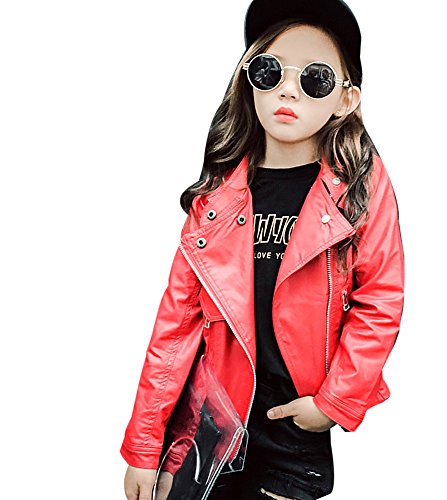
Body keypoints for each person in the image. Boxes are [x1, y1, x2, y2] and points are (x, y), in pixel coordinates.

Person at [121, 0, 405, 499]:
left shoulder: (359, 189)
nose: (287, 90)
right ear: (248, 79)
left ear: (345, 99)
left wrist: (334, 402)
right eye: (270, 71)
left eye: (315, 78)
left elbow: (380, 300)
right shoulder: (216, 197)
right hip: (209, 425)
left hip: (293, 427)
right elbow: (175, 326)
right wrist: (145, 447)